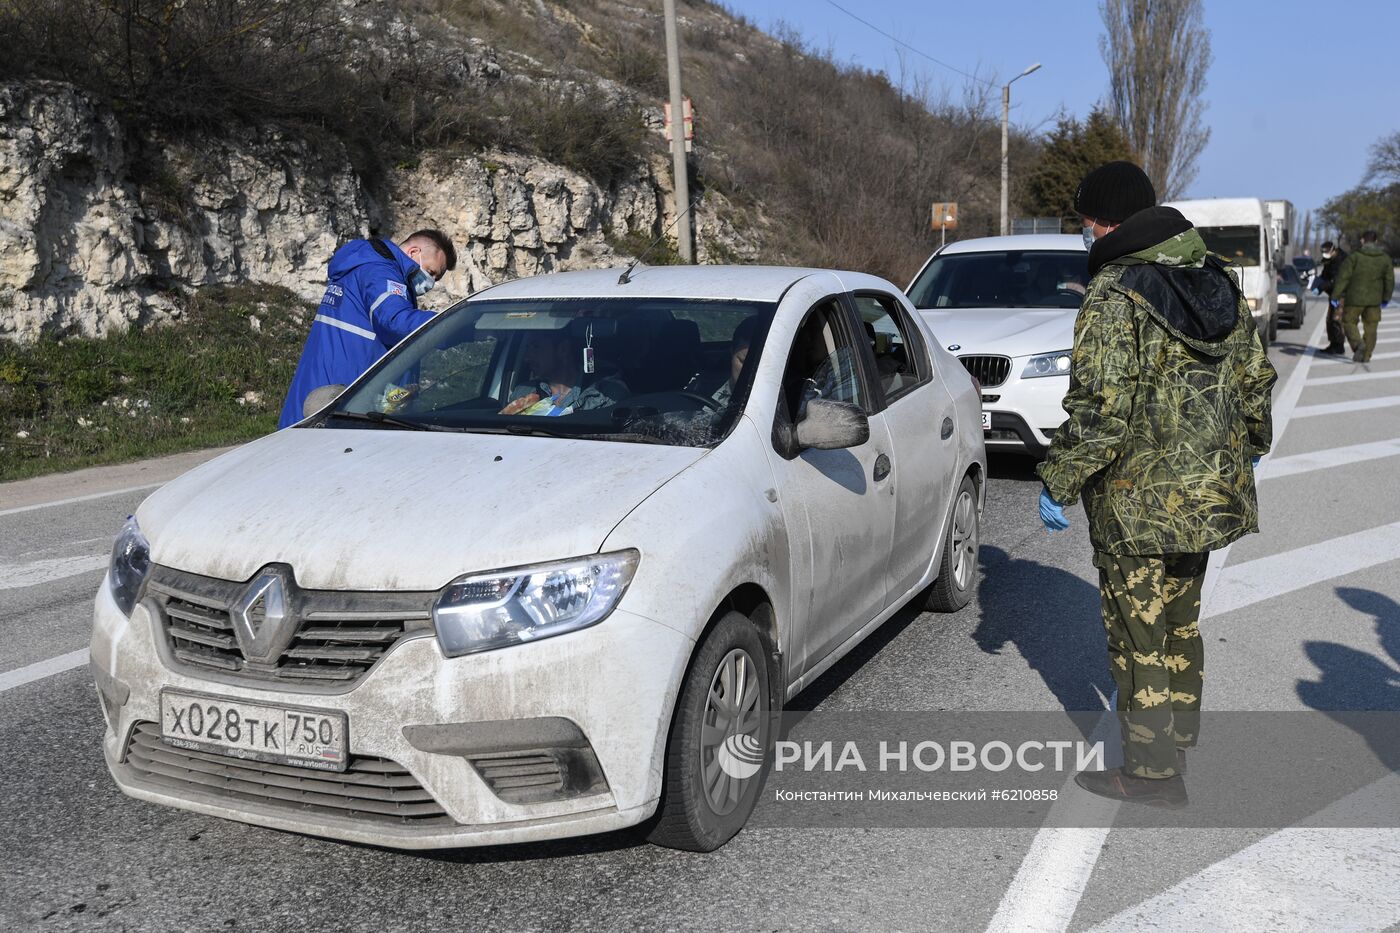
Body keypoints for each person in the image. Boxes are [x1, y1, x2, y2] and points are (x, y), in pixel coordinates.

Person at [1037, 160, 1278, 807]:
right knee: (1178, 619)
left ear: (1106, 222)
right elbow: (1256, 381)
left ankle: (1151, 771)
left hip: (1136, 503)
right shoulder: (1216, 279)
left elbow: (1098, 410)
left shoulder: (1114, 293)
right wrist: (1251, 448)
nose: (1085, 233)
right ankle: (1181, 733)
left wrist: (1058, 480)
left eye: (1086, 222)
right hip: (1207, 493)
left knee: (1137, 631)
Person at [278, 230, 456, 427]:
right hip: (336, 412)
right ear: (414, 252)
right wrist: (453, 324)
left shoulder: (363, 267)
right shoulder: (380, 272)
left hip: (327, 404)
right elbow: (395, 322)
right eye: (431, 272)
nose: (430, 283)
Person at [499, 329, 629, 416]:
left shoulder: (605, 394)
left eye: (536, 347)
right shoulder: (523, 392)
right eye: (527, 348)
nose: (527, 358)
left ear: (563, 349)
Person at [1333, 230, 1395, 363]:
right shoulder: (1384, 258)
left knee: (1349, 322)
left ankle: (1358, 344)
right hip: (1374, 301)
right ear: (1376, 241)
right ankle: (1366, 356)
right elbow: (1389, 280)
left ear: (1362, 241)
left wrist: (1335, 295)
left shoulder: (1354, 257)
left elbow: (1343, 278)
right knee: (1371, 327)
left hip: (1354, 299)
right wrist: (1386, 298)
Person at [1316, 240, 1348, 355]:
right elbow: (1325, 274)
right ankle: (1333, 344)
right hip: (1333, 293)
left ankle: (1339, 346)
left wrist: (1324, 285)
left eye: (1327, 252)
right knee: (1329, 320)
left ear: (1334, 250)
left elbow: (1338, 280)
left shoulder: (1342, 260)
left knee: (1336, 320)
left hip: (1342, 294)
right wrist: (1317, 283)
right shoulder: (1329, 260)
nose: (1325, 255)